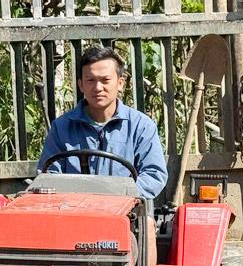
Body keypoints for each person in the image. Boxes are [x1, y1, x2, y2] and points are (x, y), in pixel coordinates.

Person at [39, 46, 168, 199]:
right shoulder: (61, 127)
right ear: (81, 85)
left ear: (120, 83)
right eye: (91, 80)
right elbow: (49, 176)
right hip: (74, 211)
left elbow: (154, 175)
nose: (98, 88)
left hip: (127, 210)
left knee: (148, 222)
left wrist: (119, 197)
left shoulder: (141, 126)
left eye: (105, 80)